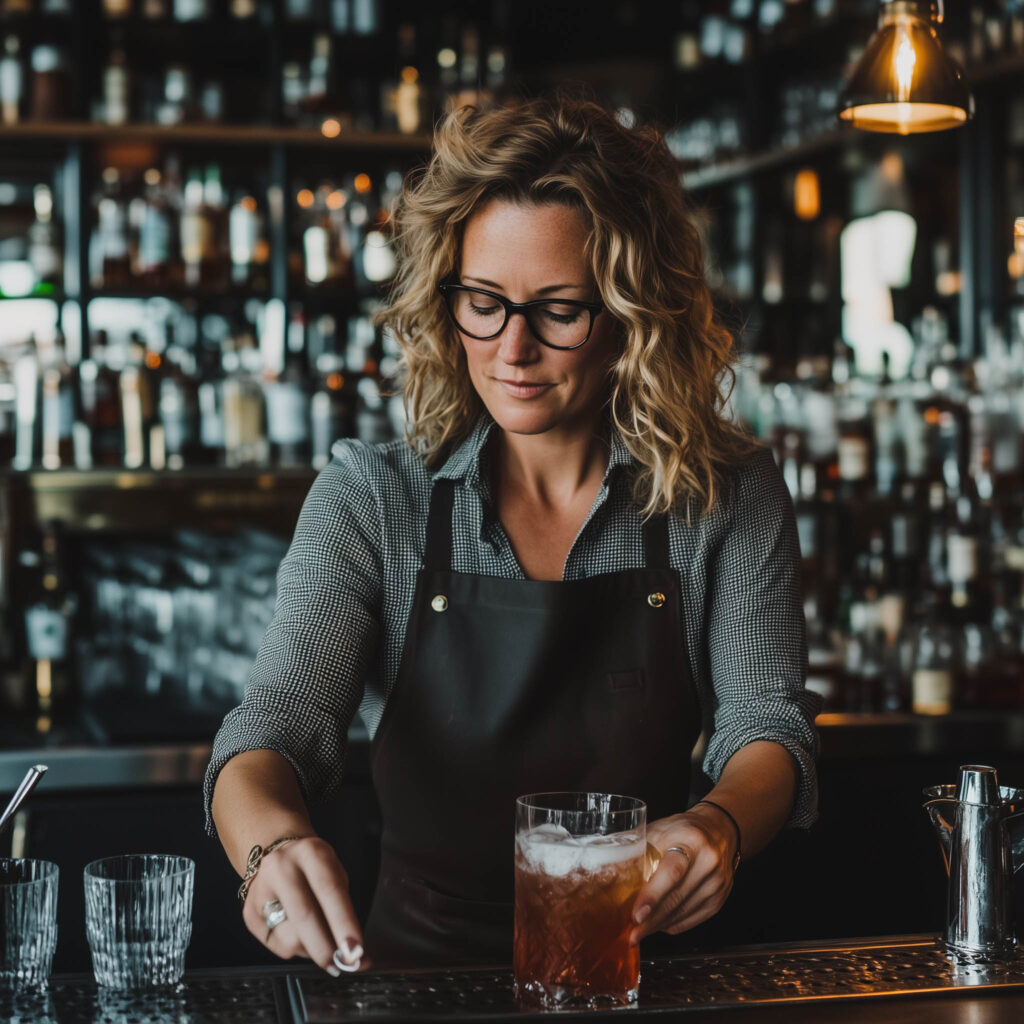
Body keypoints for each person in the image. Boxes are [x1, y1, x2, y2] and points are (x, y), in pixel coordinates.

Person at [205, 95, 821, 976]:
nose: (511, 349)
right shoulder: (375, 496)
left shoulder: (723, 494)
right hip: (418, 981)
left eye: (559, 310)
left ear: (633, 313)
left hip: (633, 968)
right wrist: (272, 849)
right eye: (483, 302)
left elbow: (768, 725)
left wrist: (717, 825)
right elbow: (272, 729)